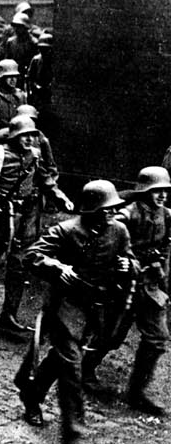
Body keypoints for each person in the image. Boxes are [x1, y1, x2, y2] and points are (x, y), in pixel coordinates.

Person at [19, 180, 140, 444]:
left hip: (96, 309)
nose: (111, 213)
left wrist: (127, 266)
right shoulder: (66, 231)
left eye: (113, 209)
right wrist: (57, 266)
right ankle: (75, 437)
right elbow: (32, 255)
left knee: (63, 360)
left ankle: (32, 394)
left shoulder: (119, 232)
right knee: (72, 369)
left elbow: (131, 260)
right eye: (105, 209)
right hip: (66, 307)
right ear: (91, 210)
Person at [80, 167, 171, 415]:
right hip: (123, 285)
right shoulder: (127, 215)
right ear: (144, 191)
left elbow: (164, 250)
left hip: (149, 286)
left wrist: (161, 276)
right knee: (111, 335)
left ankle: (137, 392)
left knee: (157, 339)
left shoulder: (167, 216)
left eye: (165, 190)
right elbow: (108, 237)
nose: (162, 195)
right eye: (156, 190)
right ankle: (85, 370)